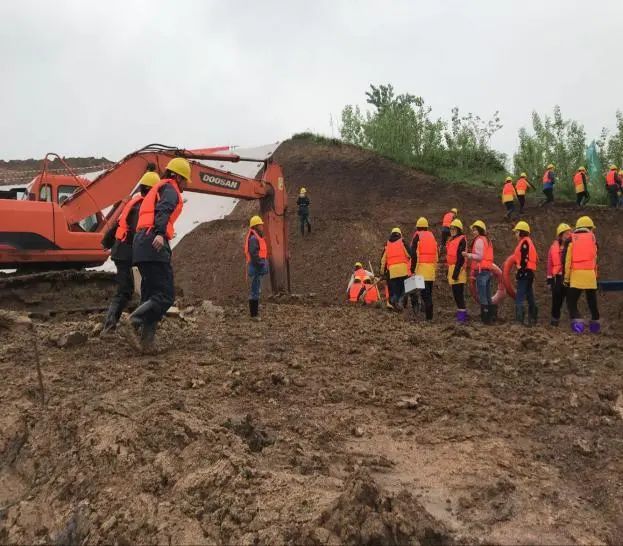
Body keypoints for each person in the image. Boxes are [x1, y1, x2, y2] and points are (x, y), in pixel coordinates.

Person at [128, 157, 190, 352]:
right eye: (185, 180)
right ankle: (133, 321)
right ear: (178, 177)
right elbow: (163, 211)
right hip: (153, 243)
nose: (186, 185)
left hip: (140, 244)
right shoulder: (170, 190)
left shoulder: (158, 189)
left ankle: (147, 343)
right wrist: (161, 234)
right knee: (165, 296)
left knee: (150, 295)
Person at [101, 171, 160, 334]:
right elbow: (138, 233)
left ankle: (112, 325)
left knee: (127, 290)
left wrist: (106, 242)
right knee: (132, 290)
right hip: (129, 253)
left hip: (121, 251)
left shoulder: (134, 203)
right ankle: (129, 325)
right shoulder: (142, 208)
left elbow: (118, 224)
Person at [564, 216, 600, 333]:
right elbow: (595, 259)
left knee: (571, 301)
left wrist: (566, 278)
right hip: (590, 275)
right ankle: (595, 328)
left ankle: (578, 326)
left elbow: (568, 261)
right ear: (589, 228)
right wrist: (595, 276)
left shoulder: (571, 240)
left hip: (576, 276)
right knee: (592, 303)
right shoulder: (593, 240)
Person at [463, 220, 495, 324]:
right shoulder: (487, 240)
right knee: (487, 295)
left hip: (481, 271)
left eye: (475, 230)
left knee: (483, 296)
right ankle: (490, 317)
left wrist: (468, 255)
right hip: (487, 270)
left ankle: (485, 319)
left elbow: (479, 256)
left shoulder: (479, 240)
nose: (473, 232)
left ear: (480, 230)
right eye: (473, 230)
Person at [410, 217, 438, 321]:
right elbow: (436, 255)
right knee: (429, 294)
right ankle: (429, 317)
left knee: (425, 296)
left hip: (421, 270)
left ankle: (429, 318)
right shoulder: (432, 236)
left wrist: (412, 270)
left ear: (417, 227)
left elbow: (414, 255)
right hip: (430, 271)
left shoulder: (417, 236)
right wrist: (434, 267)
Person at [512, 221, 538, 325]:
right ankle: (533, 319)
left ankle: (519, 320)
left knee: (520, 296)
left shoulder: (524, 243)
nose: (515, 235)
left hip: (525, 272)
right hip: (528, 272)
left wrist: (520, 272)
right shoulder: (527, 241)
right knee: (529, 295)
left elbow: (524, 259)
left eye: (517, 232)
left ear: (522, 232)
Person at [244, 215, 270, 320]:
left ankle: (255, 314)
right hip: (256, 268)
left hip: (256, 268)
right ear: (256, 226)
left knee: (256, 290)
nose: (262, 226)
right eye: (260, 225)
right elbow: (254, 254)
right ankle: (253, 315)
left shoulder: (255, 237)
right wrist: (261, 264)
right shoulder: (254, 239)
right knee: (255, 291)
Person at [380, 227, 411, 310]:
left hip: (393, 272)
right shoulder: (402, 242)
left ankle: (394, 302)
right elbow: (409, 254)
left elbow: (383, 260)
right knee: (403, 289)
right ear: (400, 234)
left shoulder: (387, 244)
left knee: (395, 290)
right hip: (403, 271)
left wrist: (382, 272)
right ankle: (400, 303)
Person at [546, 223, 571, 326]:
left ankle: (573, 323)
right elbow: (550, 263)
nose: (568, 235)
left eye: (569, 233)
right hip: (557, 278)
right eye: (566, 233)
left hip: (569, 277)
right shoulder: (553, 248)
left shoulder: (572, 247)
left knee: (570, 300)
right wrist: (549, 280)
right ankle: (554, 320)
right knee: (556, 300)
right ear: (560, 235)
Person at [445, 218, 467, 323]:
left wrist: (456, 273)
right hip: (452, 269)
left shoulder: (462, 239)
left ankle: (462, 319)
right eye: (451, 228)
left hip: (458, 270)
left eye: (454, 229)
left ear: (459, 229)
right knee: (456, 295)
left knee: (459, 294)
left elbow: (460, 258)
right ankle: (461, 317)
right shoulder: (451, 240)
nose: (452, 230)